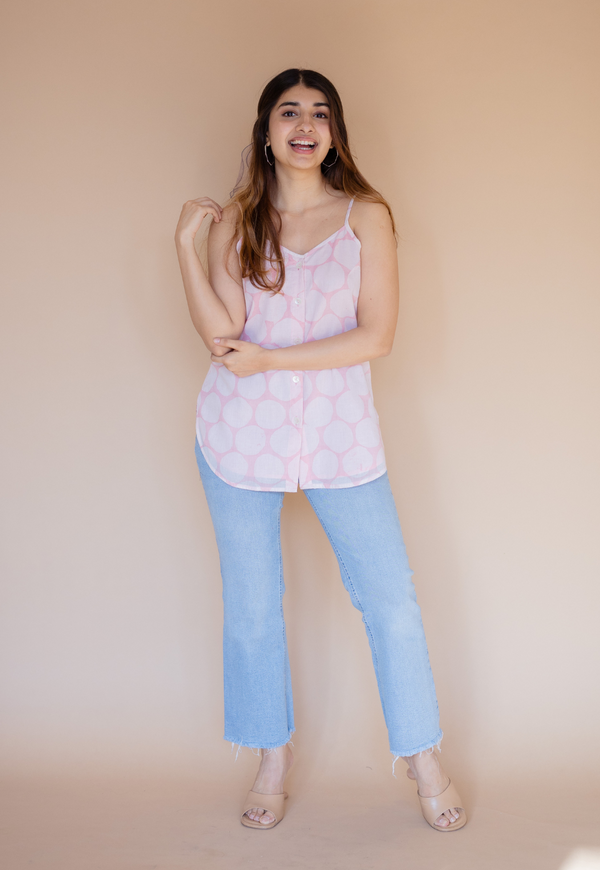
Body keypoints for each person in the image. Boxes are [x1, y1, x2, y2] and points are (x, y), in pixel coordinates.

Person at [174, 68, 467, 833]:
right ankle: (271, 758)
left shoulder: (366, 215)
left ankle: (424, 759)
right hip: (239, 434)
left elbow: (377, 335)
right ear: (266, 129)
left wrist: (272, 359)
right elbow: (221, 334)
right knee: (252, 608)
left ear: (334, 133)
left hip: (341, 437)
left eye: (320, 113)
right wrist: (185, 245)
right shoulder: (239, 221)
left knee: (391, 600)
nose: (305, 125)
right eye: (289, 111)